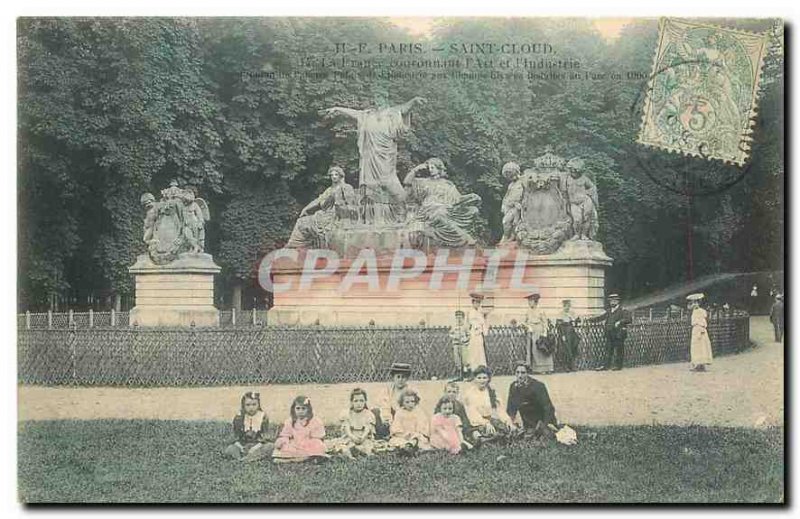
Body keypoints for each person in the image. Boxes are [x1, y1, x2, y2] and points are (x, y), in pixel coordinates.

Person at [286, 166, 357, 248]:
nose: (334, 177)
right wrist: (306, 209)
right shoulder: (329, 189)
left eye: (336, 174)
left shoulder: (346, 187)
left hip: (337, 215)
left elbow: (351, 204)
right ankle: (296, 245)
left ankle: (298, 245)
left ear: (341, 176)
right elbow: (318, 201)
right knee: (301, 221)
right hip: (325, 213)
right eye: (332, 175)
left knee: (308, 222)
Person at [461, 365, 515, 445]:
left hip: (491, 420)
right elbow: (472, 413)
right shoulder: (470, 394)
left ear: (488, 379)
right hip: (476, 422)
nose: (482, 381)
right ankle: (483, 439)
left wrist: (508, 421)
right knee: (476, 433)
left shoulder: (492, 392)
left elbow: (499, 410)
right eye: (479, 378)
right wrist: (485, 423)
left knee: (504, 429)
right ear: (474, 379)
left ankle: (495, 438)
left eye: (484, 378)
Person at [506, 362, 558, 439]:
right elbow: (511, 407)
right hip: (526, 421)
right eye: (517, 372)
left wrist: (547, 423)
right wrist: (511, 422)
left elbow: (548, 407)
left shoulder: (538, 386)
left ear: (528, 373)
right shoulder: (513, 386)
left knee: (544, 436)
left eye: (523, 373)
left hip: (540, 418)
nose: (520, 376)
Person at [272, 396, 327, 463]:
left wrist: (311, 442)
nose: (300, 411)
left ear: (308, 409)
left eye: (303, 409)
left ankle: (291, 460)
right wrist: (283, 440)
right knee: (283, 446)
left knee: (318, 445)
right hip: (296, 444)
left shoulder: (315, 421)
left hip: (308, 444)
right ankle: (305, 458)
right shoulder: (290, 421)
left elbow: (318, 437)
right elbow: (286, 434)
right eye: (298, 408)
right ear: (293, 409)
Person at [223, 391, 274, 462]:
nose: (251, 407)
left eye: (254, 404)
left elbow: (265, 436)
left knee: (270, 446)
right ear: (243, 405)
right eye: (248, 405)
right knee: (230, 449)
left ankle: (245, 459)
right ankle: (243, 458)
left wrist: (255, 447)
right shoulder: (239, 417)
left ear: (258, 405)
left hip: (257, 445)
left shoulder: (263, 417)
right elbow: (236, 435)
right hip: (242, 445)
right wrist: (240, 446)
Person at [328, 388, 376, 459]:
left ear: (365, 401)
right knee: (345, 446)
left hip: (363, 438)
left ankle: (361, 451)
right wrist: (352, 437)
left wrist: (362, 437)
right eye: (356, 401)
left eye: (361, 401)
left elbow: (367, 429)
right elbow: (347, 430)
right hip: (350, 438)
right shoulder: (347, 414)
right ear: (351, 402)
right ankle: (350, 455)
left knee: (367, 447)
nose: (359, 404)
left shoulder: (368, 414)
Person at [374, 362, 415, 440]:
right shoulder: (387, 390)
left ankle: (399, 435)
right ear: (393, 377)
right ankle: (383, 436)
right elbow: (384, 406)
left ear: (407, 378)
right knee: (375, 412)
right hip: (390, 417)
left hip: (404, 417)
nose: (400, 380)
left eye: (403, 377)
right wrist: (387, 419)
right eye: (398, 377)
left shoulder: (410, 391)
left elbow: (413, 409)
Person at [389, 389, 431, 454]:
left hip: (416, 435)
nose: (410, 404)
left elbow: (423, 425)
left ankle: (413, 447)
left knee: (421, 441)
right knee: (396, 441)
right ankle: (406, 447)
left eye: (412, 401)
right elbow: (396, 426)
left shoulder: (419, 412)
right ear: (402, 403)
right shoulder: (399, 413)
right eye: (407, 402)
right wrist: (403, 434)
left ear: (416, 402)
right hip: (404, 435)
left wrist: (415, 434)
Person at [523, 291, 552, 373]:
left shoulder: (540, 311)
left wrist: (545, 332)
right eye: (528, 301)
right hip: (531, 331)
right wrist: (528, 326)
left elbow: (545, 322)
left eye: (530, 301)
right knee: (533, 350)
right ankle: (535, 368)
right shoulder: (528, 311)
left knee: (541, 349)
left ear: (535, 301)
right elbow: (524, 322)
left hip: (539, 331)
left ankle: (545, 368)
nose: (529, 303)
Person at [687, 293, 713, 371]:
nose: (694, 305)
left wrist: (701, 331)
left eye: (696, 303)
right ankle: (698, 364)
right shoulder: (694, 311)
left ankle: (701, 364)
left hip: (700, 330)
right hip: (695, 330)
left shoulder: (700, 311)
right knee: (696, 347)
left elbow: (702, 322)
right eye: (693, 303)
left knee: (701, 347)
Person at [465, 293, 489, 377]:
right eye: (476, 302)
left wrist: (484, 331)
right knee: (473, 352)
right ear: (473, 303)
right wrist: (475, 327)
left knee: (480, 352)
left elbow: (483, 322)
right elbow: (470, 322)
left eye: (479, 303)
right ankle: (473, 370)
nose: (477, 304)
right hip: (474, 334)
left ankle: (481, 369)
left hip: (479, 334)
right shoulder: (471, 312)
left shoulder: (480, 312)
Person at [555, 299, 581, 371]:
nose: (567, 307)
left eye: (568, 306)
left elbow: (578, 322)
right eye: (566, 306)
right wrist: (562, 335)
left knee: (573, 348)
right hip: (564, 333)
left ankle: (572, 365)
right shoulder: (560, 314)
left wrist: (574, 320)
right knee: (565, 350)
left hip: (571, 333)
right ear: (563, 306)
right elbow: (559, 326)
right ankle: (565, 366)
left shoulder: (572, 313)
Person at [449, 310, 470, 379]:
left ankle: (466, 375)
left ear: (463, 318)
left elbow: (469, 335)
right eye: (457, 317)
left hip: (463, 345)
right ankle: (459, 375)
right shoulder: (454, 326)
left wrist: (465, 339)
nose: (459, 319)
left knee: (464, 360)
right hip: (456, 344)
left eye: (460, 317)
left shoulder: (465, 326)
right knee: (457, 360)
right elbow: (450, 334)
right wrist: (454, 337)